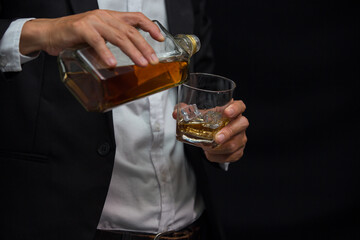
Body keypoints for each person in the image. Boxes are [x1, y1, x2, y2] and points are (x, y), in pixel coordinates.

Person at [0, 1, 249, 240]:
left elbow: (202, 79)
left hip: (193, 224)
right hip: (63, 224)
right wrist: (44, 30)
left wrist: (221, 137)